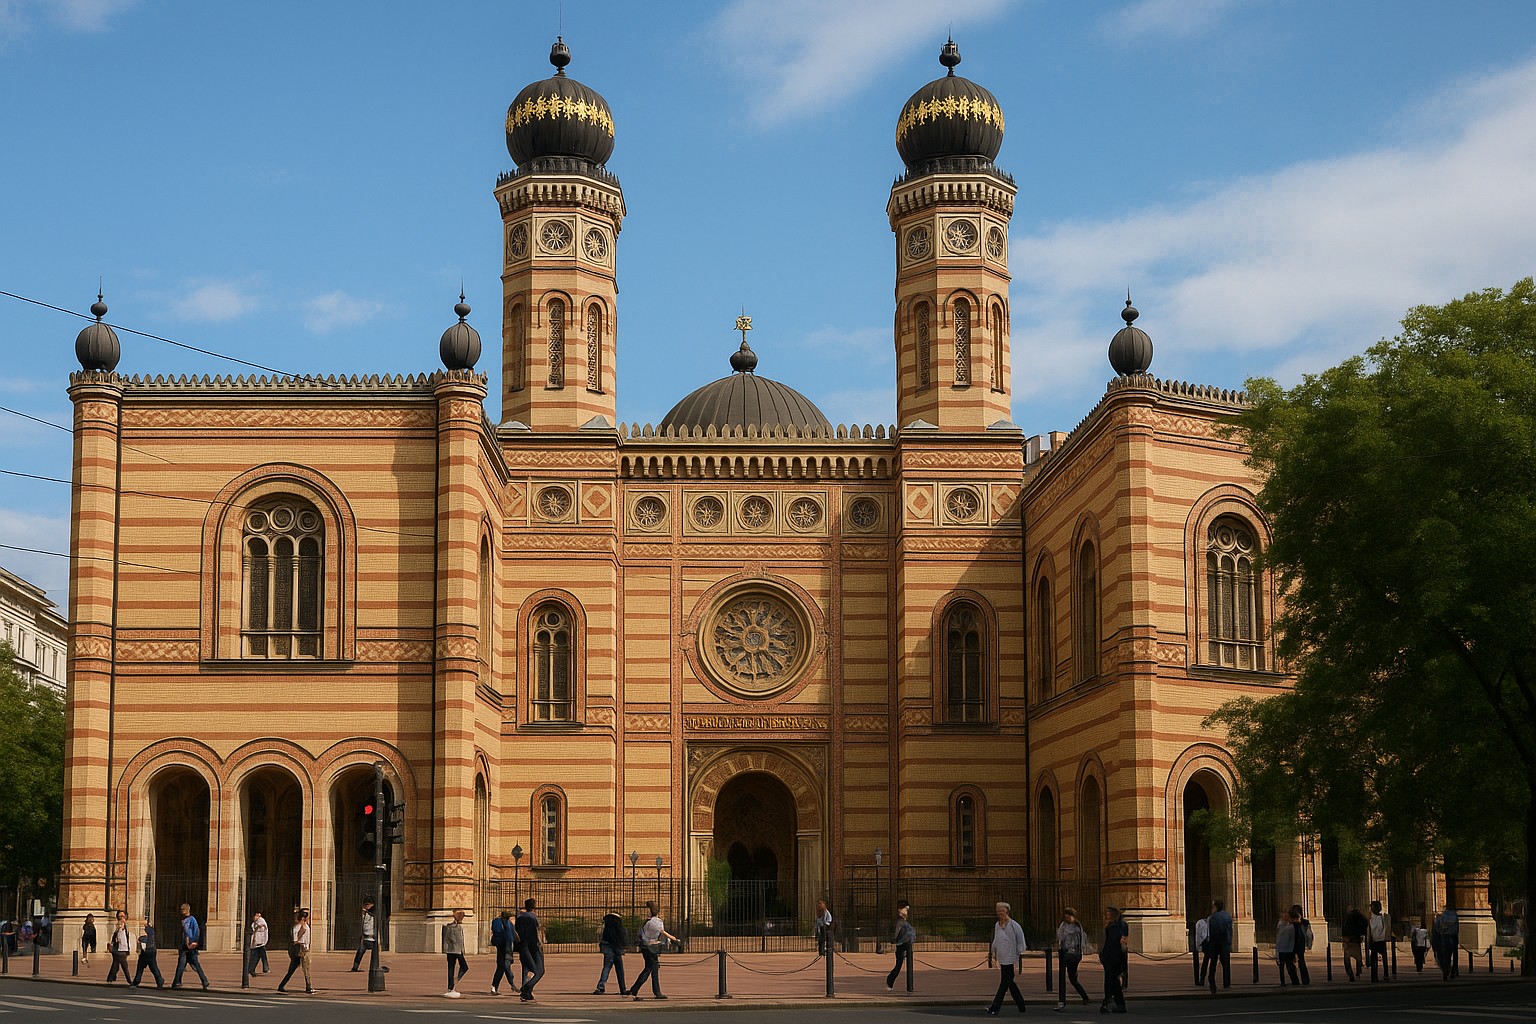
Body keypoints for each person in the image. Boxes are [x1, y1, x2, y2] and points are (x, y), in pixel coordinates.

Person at [627, 900, 678, 1000]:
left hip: (645, 946)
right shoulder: (656, 922)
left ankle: (645, 990)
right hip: (651, 947)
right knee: (649, 968)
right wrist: (674, 939)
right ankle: (639, 990)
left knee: (652, 968)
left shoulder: (647, 921)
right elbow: (662, 932)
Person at [985, 901, 1028, 1015]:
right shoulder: (997, 925)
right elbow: (996, 940)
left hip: (1011, 958)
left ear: (1007, 911)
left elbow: (1021, 941)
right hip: (1002, 958)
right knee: (1009, 983)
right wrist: (993, 952)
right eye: (998, 911)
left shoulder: (1014, 925)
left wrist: (1017, 954)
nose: (1000, 913)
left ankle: (995, 1007)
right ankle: (1021, 1005)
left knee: (1004, 983)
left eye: (1002, 911)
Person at [1054, 906, 1089, 1009]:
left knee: (1073, 978)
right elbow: (1060, 937)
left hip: (1074, 954)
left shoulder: (1077, 927)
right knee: (1062, 977)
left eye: (1069, 915)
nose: (1067, 917)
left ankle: (1084, 996)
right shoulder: (1063, 926)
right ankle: (1062, 1001)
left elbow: (1081, 941)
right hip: (1065, 953)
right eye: (1066, 915)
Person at [171, 902, 210, 990]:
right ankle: (177, 981)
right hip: (184, 946)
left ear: (187, 910)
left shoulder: (192, 919)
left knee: (190, 965)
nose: (181, 911)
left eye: (183, 909)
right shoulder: (182, 920)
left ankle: (177, 981)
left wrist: (195, 942)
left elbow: (196, 931)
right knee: (182, 965)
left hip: (190, 946)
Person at [515, 897, 545, 1001]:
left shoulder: (519, 917)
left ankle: (527, 993)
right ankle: (526, 988)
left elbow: (516, 933)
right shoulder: (533, 917)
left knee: (526, 968)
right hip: (534, 946)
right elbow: (537, 931)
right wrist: (541, 943)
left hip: (523, 946)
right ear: (534, 906)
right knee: (540, 971)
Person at [277, 908, 313, 994]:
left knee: (294, 969)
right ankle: (309, 987)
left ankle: (281, 985)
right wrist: (302, 933)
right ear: (304, 918)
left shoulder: (305, 926)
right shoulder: (298, 927)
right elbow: (295, 939)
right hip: (301, 950)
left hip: (304, 949)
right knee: (305, 969)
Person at [594, 911, 628, 995]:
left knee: (606, 967)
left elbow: (600, 934)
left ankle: (600, 987)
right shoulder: (618, 924)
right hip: (616, 948)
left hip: (607, 947)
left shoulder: (606, 923)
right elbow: (621, 936)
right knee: (620, 969)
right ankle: (623, 989)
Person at [1206, 899, 1233, 993]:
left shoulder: (1214, 917)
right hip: (1226, 943)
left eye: (1213, 906)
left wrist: (1211, 943)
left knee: (1213, 962)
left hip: (1216, 943)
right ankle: (1227, 982)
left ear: (1216, 907)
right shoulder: (1227, 915)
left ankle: (1211, 980)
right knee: (1226, 963)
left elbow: (1214, 932)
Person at [131, 914, 165, 988]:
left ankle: (136, 981)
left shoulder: (146, 929)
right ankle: (159, 980)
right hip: (151, 950)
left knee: (141, 967)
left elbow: (145, 939)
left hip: (147, 951)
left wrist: (140, 940)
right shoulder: (150, 929)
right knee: (153, 967)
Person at [887, 906, 915, 991]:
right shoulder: (901, 923)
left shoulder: (903, 923)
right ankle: (890, 981)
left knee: (898, 965)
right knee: (898, 966)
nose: (905, 917)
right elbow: (899, 936)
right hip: (901, 945)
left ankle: (890, 981)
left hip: (904, 945)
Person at [442, 908, 468, 998]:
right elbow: (448, 938)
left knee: (452, 968)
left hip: (456, 950)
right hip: (454, 950)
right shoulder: (452, 926)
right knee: (462, 967)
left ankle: (451, 985)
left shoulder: (457, 926)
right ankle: (453, 983)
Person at [490, 909, 515, 995]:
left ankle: (494, 986)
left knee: (501, 968)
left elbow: (513, 934)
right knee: (505, 967)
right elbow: (497, 933)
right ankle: (512, 984)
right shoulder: (498, 922)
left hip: (508, 947)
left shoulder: (508, 923)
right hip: (502, 947)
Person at [1340, 905, 1368, 981]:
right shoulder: (1360, 918)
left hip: (1348, 939)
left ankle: (1350, 973)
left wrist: (1344, 938)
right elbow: (1364, 926)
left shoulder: (1348, 918)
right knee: (1358, 957)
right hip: (1356, 939)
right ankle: (1358, 972)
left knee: (1347, 958)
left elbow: (1344, 928)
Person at [106, 910, 134, 984]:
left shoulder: (126, 927)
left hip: (123, 949)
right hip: (119, 950)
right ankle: (130, 981)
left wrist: (128, 949)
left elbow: (126, 939)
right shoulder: (119, 927)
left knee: (115, 965)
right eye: (119, 917)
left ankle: (110, 979)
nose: (121, 918)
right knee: (125, 967)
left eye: (123, 916)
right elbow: (115, 937)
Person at [1366, 900, 1391, 982]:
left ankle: (1385, 974)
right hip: (1374, 941)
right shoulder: (1370, 918)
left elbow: (1387, 927)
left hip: (1381, 940)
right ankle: (1374, 976)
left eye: (1372, 907)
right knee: (1374, 960)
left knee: (1384, 958)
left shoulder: (1384, 917)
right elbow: (1369, 931)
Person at [351, 898, 378, 971]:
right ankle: (355, 967)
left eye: (367, 905)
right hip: (365, 938)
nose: (365, 906)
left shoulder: (373, 914)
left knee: (375, 955)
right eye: (365, 905)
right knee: (359, 953)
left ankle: (375, 968)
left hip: (372, 938)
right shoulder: (364, 914)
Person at [1433, 904, 1459, 979]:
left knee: (1445, 955)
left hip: (1445, 936)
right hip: (1454, 936)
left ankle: (1446, 970)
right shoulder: (1455, 915)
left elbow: (1437, 927)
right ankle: (1454, 971)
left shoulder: (1443, 916)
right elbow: (1457, 927)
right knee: (1454, 954)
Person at [1289, 905, 1312, 985]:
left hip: (1292, 945)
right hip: (1300, 945)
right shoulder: (1305, 922)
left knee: (1291, 963)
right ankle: (1305, 980)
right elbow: (1309, 934)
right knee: (1301, 962)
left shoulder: (1291, 922)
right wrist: (1309, 944)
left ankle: (1295, 980)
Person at [1275, 910, 1299, 985]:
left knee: (1290, 967)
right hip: (1283, 949)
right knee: (1284, 967)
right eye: (1284, 916)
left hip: (1288, 950)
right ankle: (1284, 982)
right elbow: (1279, 939)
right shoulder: (1282, 925)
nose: (1286, 917)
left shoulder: (1290, 926)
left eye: (1287, 916)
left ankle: (1294, 981)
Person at [248, 911, 270, 976]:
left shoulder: (261, 921)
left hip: (259, 942)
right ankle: (252, 969)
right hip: (258, 943)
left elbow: (262, 928)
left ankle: (251, 969)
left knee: (256, 956)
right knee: (259, 956)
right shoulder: (254, 923)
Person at [1193, 911, 1211, 985]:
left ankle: (1202, 979)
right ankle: (1205, 978)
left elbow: (1199, 935)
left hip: (1208, 942)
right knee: (1209, 961)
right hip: (1209, 942)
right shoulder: (1202, 922)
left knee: (1207, 961)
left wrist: (1197, 946)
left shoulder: (1203, 922)